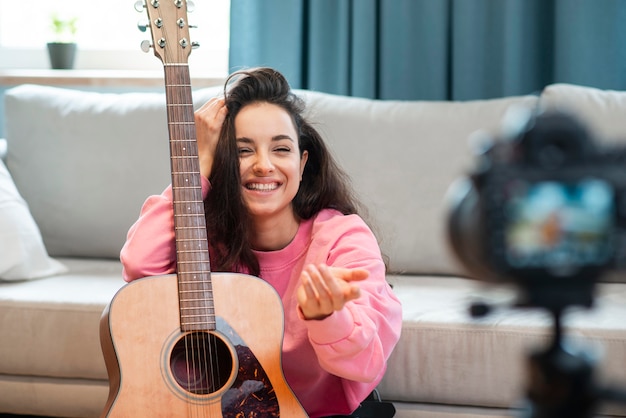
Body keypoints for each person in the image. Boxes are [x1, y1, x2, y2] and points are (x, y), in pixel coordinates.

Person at [120, 67, 402, 417]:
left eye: (281, 149)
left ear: (302, 163)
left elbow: (366, 362)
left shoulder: (342, 238)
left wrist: (328, 316)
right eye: (242, 151)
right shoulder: (205, 240)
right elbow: (140, 267)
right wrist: (197, 167)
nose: (263, 166)